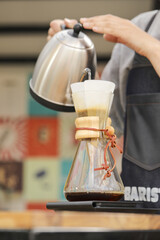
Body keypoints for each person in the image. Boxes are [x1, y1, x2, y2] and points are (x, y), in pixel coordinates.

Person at [48, 10, 160, 208]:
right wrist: (73, 54)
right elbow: (102, 124)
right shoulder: (143, 26)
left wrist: (151, 47)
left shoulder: (139, 34)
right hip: (138, 216)